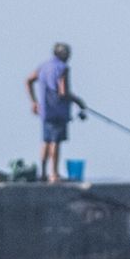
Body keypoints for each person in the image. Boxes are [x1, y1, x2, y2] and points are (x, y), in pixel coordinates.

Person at [25, 41, 86, 183]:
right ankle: (54, 174)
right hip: (58, 111)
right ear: (64, 54)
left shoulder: (44, 67)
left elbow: (28, 81)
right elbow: (63, 92)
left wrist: (34, 102)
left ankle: (43, 173)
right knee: (55, 142)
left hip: (45, 110)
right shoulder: (63, 68)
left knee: (46, 141)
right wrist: (79, 102)